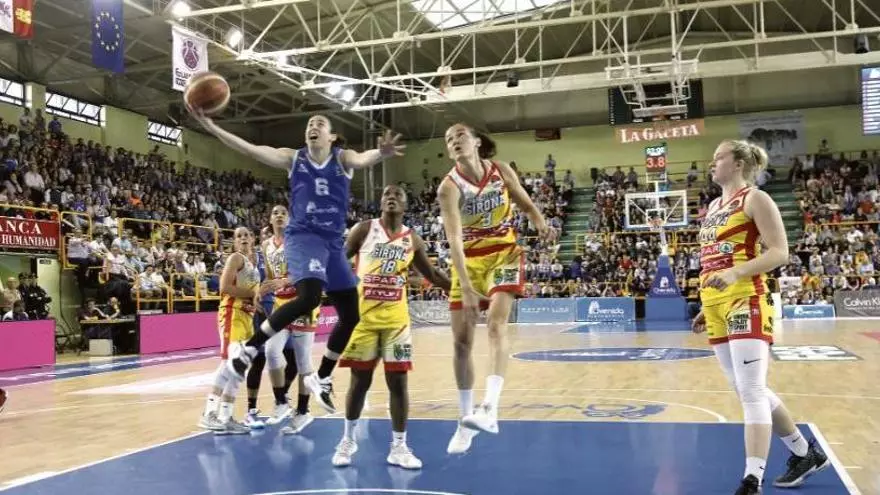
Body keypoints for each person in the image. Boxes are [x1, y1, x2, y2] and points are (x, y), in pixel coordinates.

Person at [191, 111, 404, 413]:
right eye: (309, 124)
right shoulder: (294, 158)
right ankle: (249, 349)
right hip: (304, 237)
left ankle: (323, 377)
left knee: (350, 315)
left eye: (320, 124)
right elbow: (250, 149)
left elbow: (362, 159)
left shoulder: (342, 158)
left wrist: (380, 154)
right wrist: (211, 126)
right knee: (310, 296)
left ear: (331, 136)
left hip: (332, 242)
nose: (312, 126)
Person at [692, 139, 828, 494]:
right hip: (716, 303)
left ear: (738, 163)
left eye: (718, 157)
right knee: (746, 388)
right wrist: (708, 305)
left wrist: (736, 273)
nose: (712, 163)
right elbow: (714, 257)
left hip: (746, 298)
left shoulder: (756, 199)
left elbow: (780, 252)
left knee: (751, 389)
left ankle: (752, 479)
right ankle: (805, 453)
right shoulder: (713, 206)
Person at [437, 123, 554, 454]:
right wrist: (466, 285)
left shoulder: (501, 170)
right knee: (461, 343)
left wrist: (541, 223)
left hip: (504, 252)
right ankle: (465, 421)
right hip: (468, 262)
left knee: (495, 323)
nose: (454, 141)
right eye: (449, 139)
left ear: (476, 142)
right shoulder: (449, 187)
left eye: (460, 135)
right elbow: (454, 240)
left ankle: (490, 408)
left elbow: (526, 203)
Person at [331, 184, 451, 469]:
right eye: (386, 194)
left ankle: (399, 446)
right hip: (363, 319)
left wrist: (462, 291)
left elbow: (433, 274)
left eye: (398, 195)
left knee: (398, 382)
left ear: (406, 205)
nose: (391, 198)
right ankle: (347, 440)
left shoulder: (412, 239)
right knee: (359, 382)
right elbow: (337, 261)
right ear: (381, 202)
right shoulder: (363, 229)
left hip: (396, 321)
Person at [197, 227, 262, 435]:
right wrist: (252, 294)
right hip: (232, 314)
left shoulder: (254, 263)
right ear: (234, 242)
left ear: (253, 239)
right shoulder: (235, 258)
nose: (243, 238)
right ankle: (209, 413)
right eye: (238, 236)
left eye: (246, 235)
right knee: (229, 363)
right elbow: (224, 287)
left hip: (247, 317)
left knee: (239, 368)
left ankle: (226, 416)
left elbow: (255, 292)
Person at [261, 205, 320, 433]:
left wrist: (284, 281)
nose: (279, 215)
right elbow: (270, 276)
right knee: (271, 350)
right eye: (275, 213)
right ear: (270, 219)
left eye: (283, 213)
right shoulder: (266, 245)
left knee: (303, 360)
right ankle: (281, 402)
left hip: (303, 302)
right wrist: (262, 289)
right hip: (280, 303)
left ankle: (303, 412)